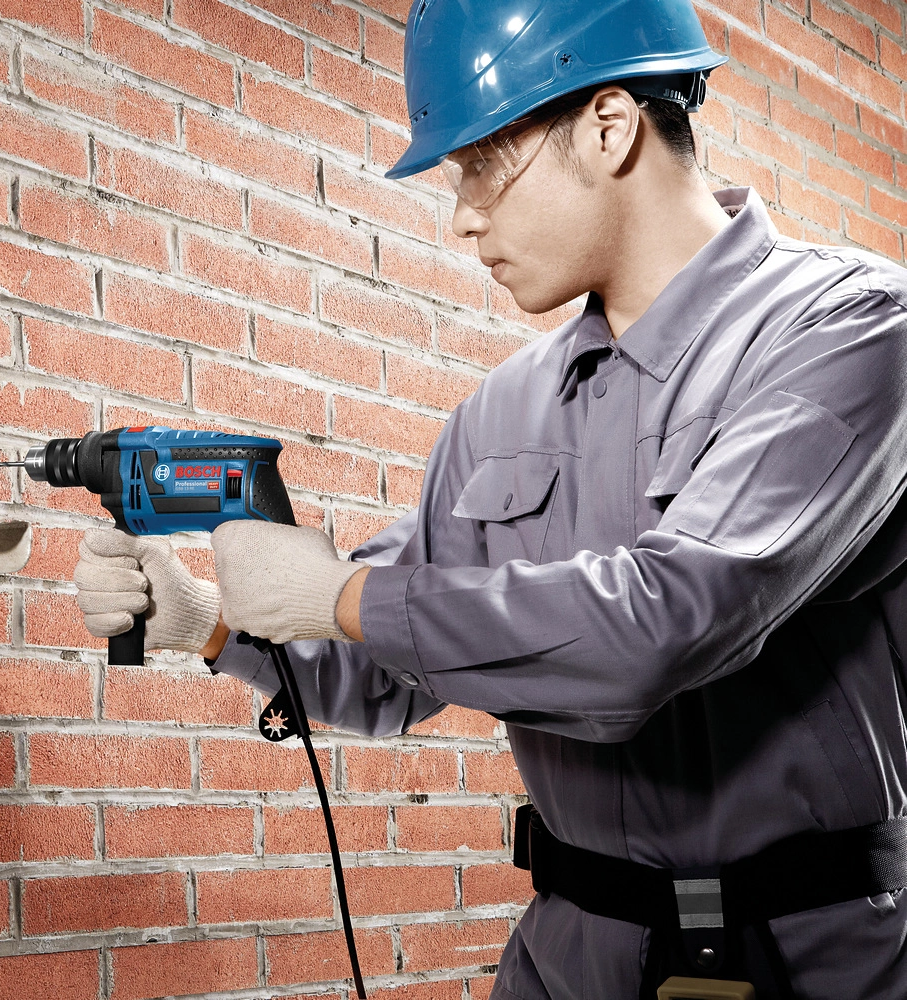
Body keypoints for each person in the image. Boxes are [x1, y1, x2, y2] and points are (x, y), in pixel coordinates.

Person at [72, 1, 907, 997]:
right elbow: (395, 668)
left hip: (812, 958)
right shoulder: (500, 412)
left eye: (480, 165)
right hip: (570, 956)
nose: (463, 214)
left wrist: (340, 594)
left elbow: (666, 623)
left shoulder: (849, 329)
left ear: (609, 127)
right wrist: (211, 621)